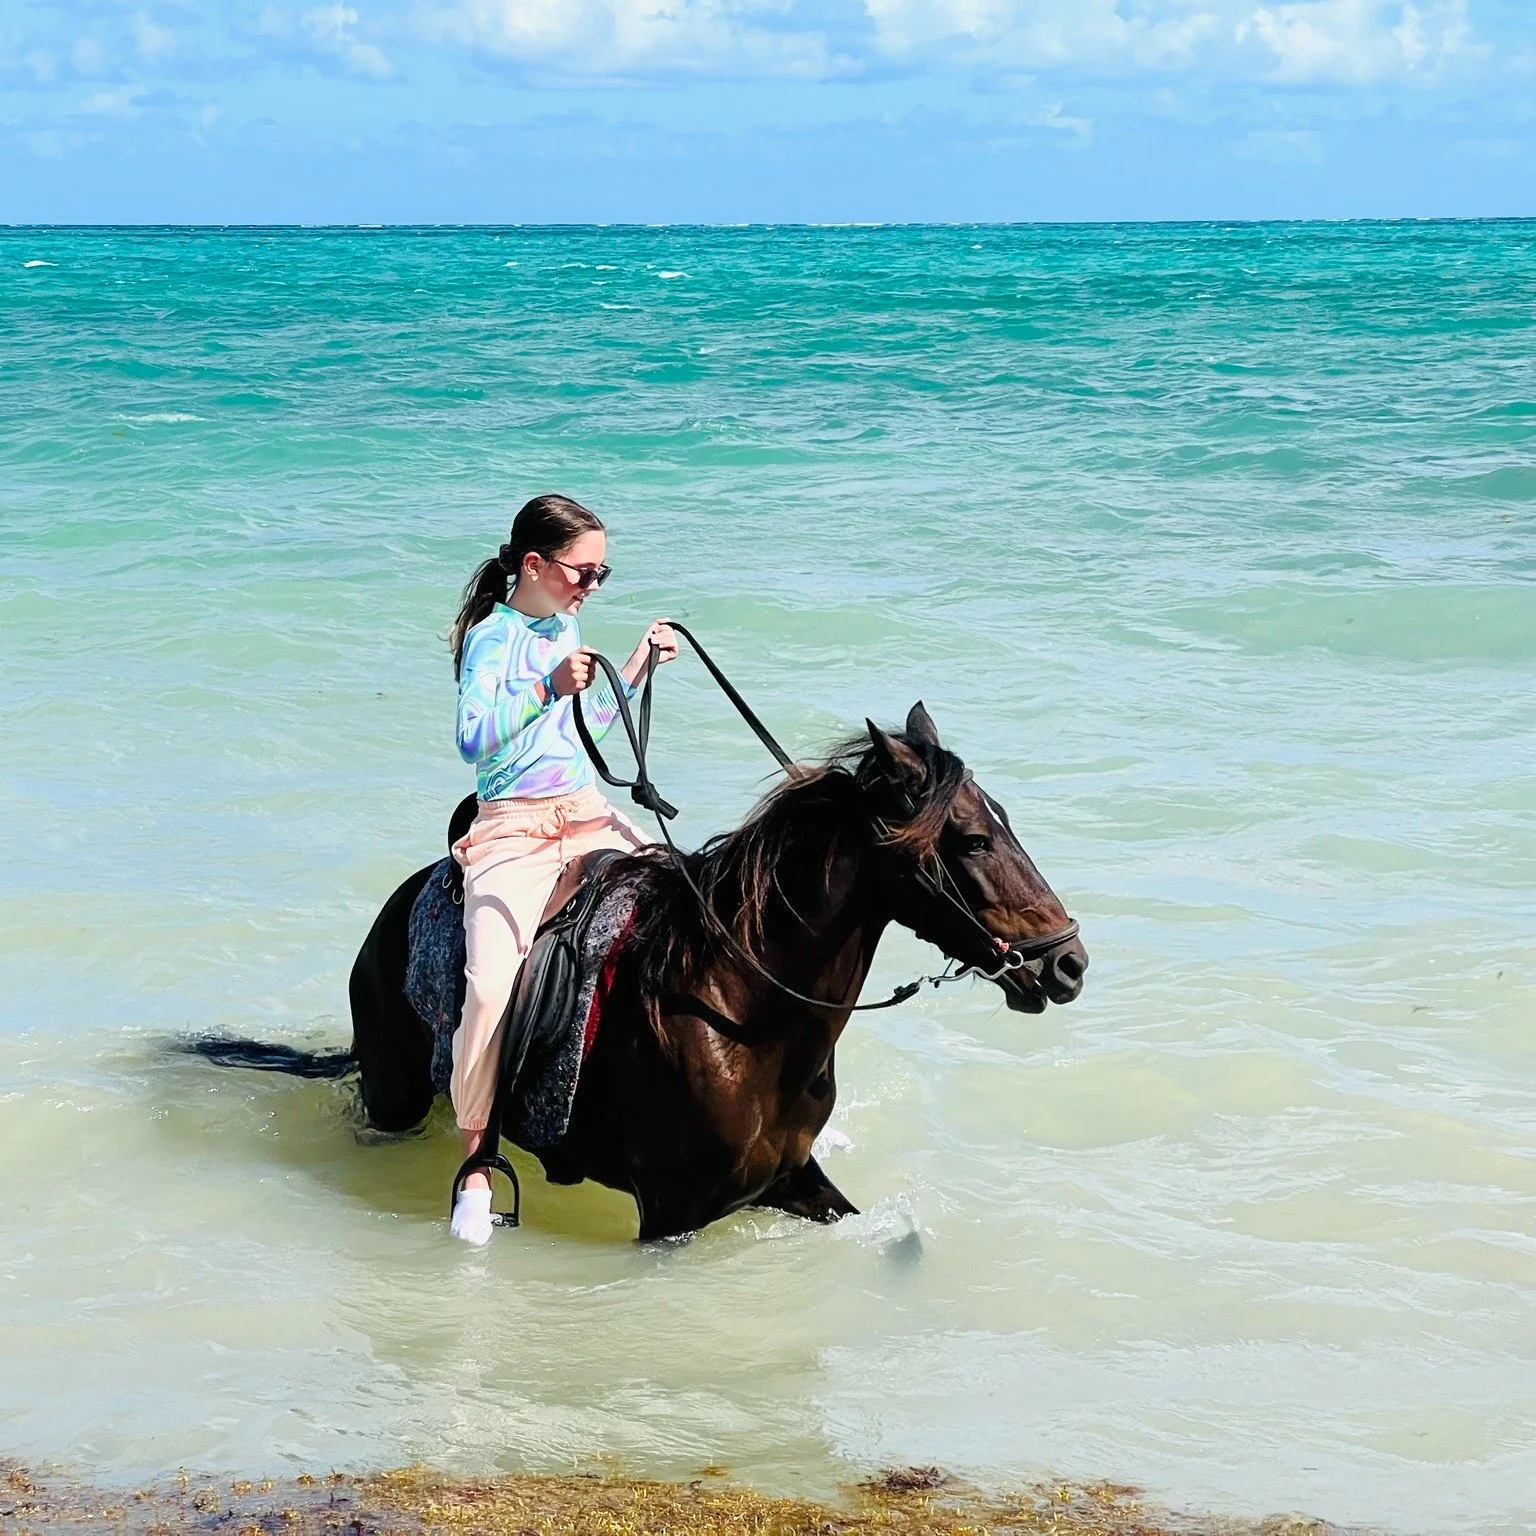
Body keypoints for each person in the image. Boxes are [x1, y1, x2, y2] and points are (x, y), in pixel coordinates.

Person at [446, 493, 677, 1245]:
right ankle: (476, 1166)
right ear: (536, 565)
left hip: (582, 809)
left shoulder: (566, 624)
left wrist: (635, 663)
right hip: (513, 828)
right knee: (488, 990)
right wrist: (547, 685)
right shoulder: (494, 637)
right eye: (583, 572)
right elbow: (473, 738)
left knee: (690, 911)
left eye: (602, 573)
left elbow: (587, 729)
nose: (591, 587)